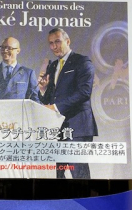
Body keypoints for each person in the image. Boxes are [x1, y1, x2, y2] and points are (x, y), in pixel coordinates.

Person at [38, 27, 98, 179]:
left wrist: (55, 107)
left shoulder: (82, 61)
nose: (54, 46)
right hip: (57, 128)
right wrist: (43, 90)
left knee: (79, 175)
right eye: (51, 43)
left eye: (57, 41)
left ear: (68, 41)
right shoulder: (53, 66)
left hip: (77, 127)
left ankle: (85, 196)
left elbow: (84, 93)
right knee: (56, 175)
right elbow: (49, 99)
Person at [0, 37, 40, 102]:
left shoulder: (28, 74)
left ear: (18, 51)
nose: (5, 50)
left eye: (9, 48)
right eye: (2, 47)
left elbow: (35, 100)